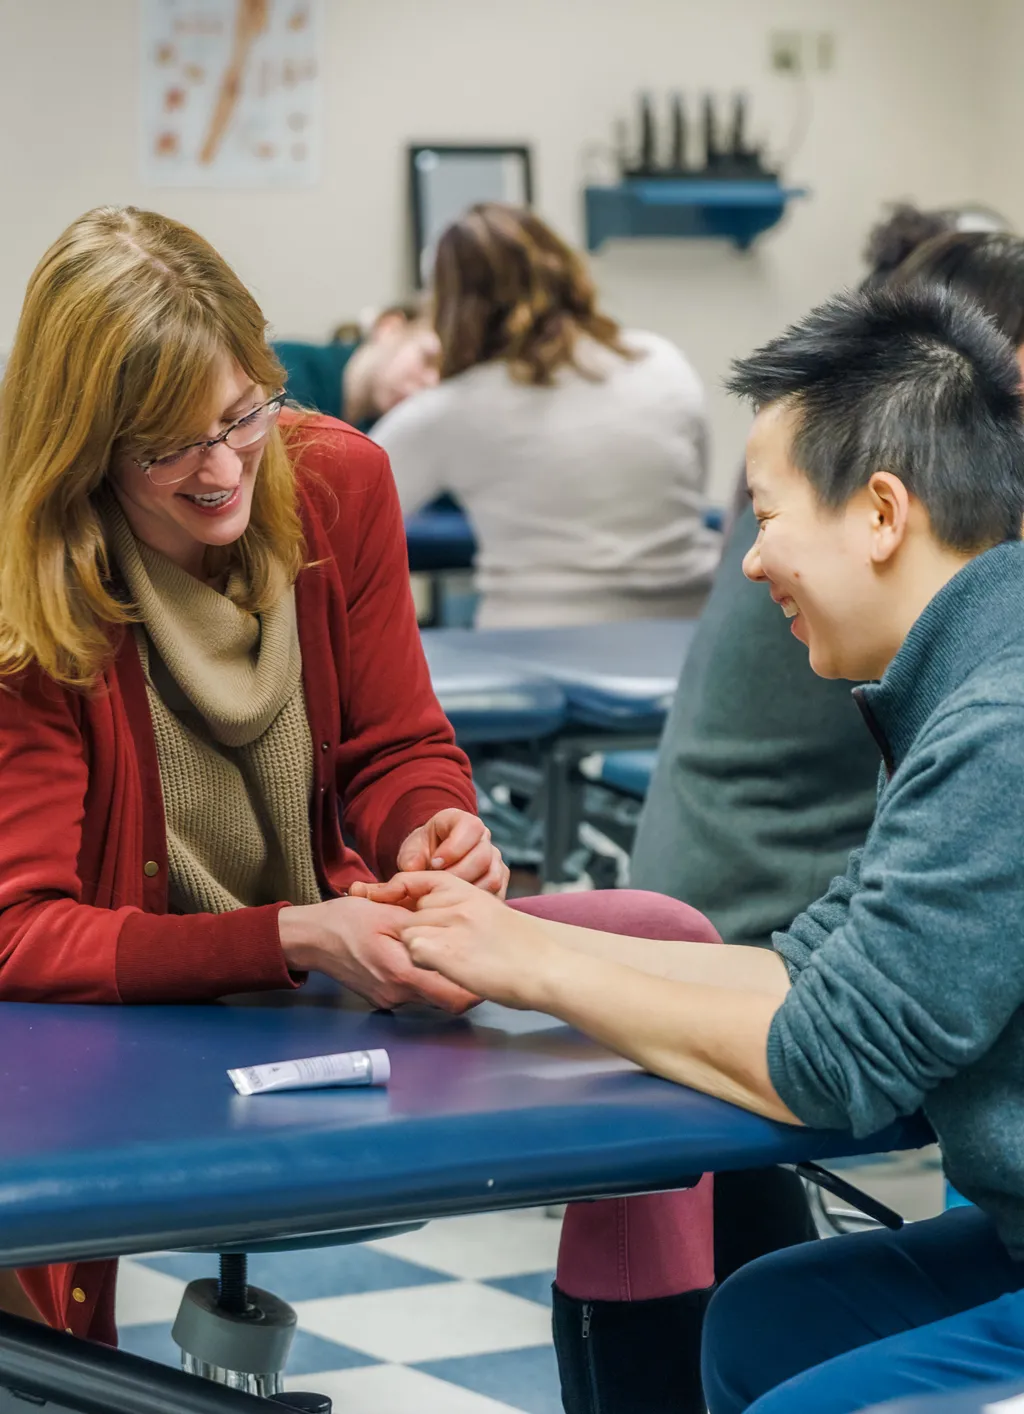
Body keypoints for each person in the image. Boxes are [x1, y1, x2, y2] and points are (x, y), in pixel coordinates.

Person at [0, 206, 716, 1353]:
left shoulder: (336, 481)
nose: (225, 466)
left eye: (243, 414)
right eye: (168, 446)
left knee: (671, 944)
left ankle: (660, 1374)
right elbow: (20, 933)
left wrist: (431, 827)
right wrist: (289, 933)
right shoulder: (35, 590)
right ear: (88, 447)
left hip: (338, 957)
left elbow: (398, 745)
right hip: (139, 1011)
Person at [359, 283, 1024, 1414]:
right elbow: (812, 962)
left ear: (878, 513)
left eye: (766, 519)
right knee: (763, 1323)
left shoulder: (998, 721)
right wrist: (500, 938)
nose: (752, 563)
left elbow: (831, 1060)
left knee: (806, 1395)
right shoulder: (953, 680)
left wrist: (529, 966)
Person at [373, 202, 720, 628]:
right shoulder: (664, 360)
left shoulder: (452, 409)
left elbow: (339, 518)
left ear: (448, 306)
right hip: (691, 633)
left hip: (534, 640)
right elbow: (695, 484)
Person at [272, 301, 441, 429]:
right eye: (428, 359)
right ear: (390, 327)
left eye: (442, 382)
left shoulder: (387, 437)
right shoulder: (284, 369)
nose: (430, 384)